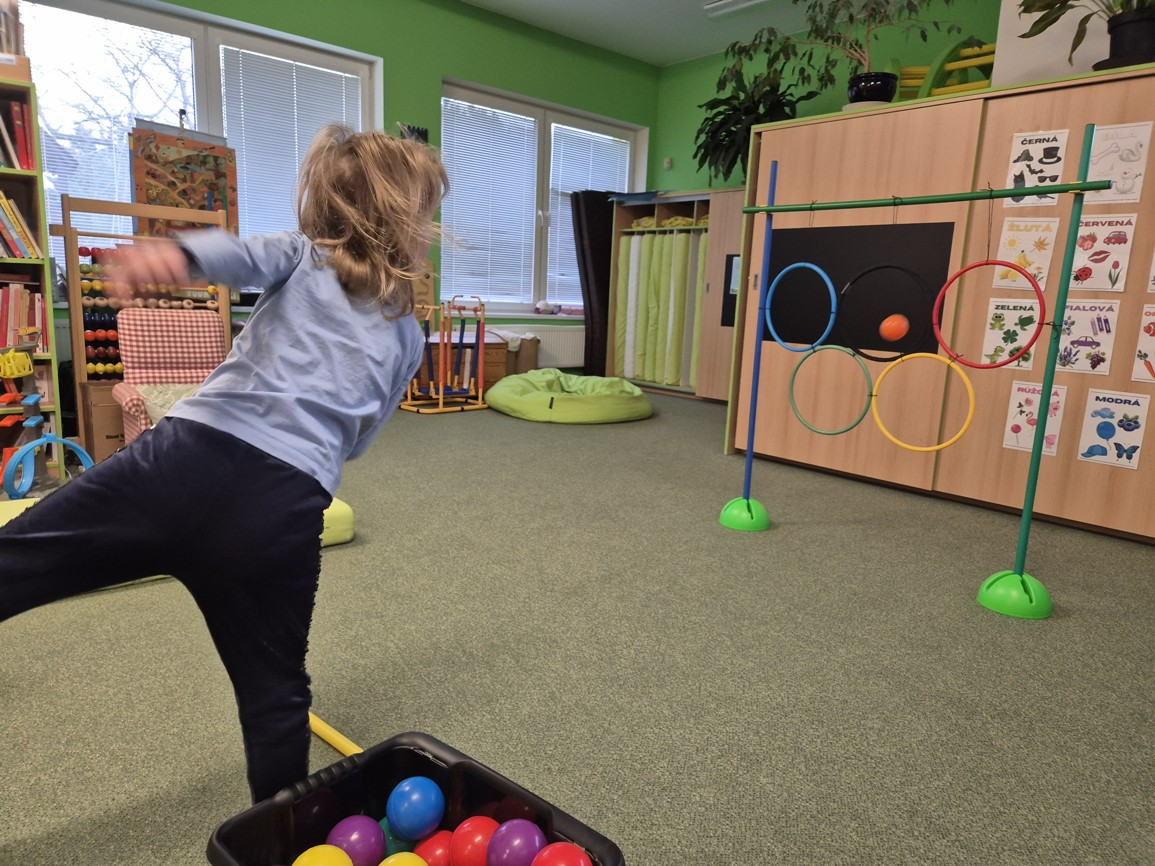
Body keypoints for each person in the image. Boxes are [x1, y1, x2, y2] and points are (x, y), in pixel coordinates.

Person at [0, 124, 449, 802]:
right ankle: (277, 834)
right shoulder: (408, 336)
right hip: (279, 509)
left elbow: (234, 256)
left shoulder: (301, 256)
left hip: (182, 465)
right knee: (276, 695)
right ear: (403, 225)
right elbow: (358, 440)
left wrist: (173, 256)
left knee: (18, 560)